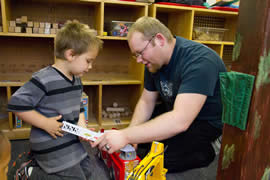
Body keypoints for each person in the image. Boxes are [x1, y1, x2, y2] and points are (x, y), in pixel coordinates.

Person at [93, 16, 225, 173]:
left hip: (204, 125)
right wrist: (132, 134)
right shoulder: (154, 63)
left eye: (140, 53)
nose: (139, 60)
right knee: (140, 144)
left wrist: (126, 136)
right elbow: (146, 101)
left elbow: (180, 121)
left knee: (159, 163)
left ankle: (207, 153)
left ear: (160, 40)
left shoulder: (200, 61)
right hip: (176, 111)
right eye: (136, 55)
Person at [7, 20, 103, 179]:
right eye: (88, 61)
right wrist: (45, 123)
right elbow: (16, 104)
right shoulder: (44, 79)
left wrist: (81, 128)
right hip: (50, 144)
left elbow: (77, 104)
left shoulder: (77, 79)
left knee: (87, 170)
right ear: (70, 54)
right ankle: (30, 172)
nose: (90, 67)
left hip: (70, 141)